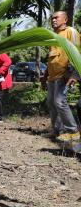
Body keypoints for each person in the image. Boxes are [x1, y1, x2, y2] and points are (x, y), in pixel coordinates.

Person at [41, 11, 80, 142]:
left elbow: (78, 53)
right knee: (51, 103)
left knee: (59, 102)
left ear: (65, 19)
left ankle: (73, 131)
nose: (53, 20)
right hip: (52, 77)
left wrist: (74, 74)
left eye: (56, 18)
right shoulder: (55, 36)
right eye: (52, 18)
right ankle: (57, 130)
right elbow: (52, 58)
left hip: (64, 75)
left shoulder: (71, 32)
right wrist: (44, 75)